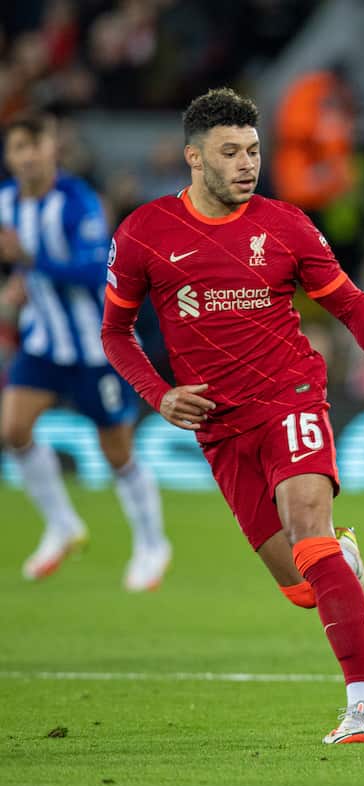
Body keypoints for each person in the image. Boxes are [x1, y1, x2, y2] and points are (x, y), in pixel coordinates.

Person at [100, 88, 364, 744]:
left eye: (254, 150)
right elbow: (116, 334)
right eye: (231, 152)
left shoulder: (287, 224)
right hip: (219, 427)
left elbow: (349, 300)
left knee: (308, 532)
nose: (247, 163)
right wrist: (157, 394)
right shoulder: (144, 234)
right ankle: (342, 557)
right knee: (302, 584)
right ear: (194, 157)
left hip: (291, 397)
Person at [0, 112, 170, 591]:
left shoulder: (79, 203)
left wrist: (29, 262)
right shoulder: (6, 202)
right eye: (18, 147)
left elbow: (94, 271)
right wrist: (18, 283)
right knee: (13, 429)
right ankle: (62, 524)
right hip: (44, 343)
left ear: (53, 150)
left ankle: (153, 542)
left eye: (35, 146)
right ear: (10, 156)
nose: (27, 156)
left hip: (99, 349)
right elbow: (20, 266)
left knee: (116, 452)